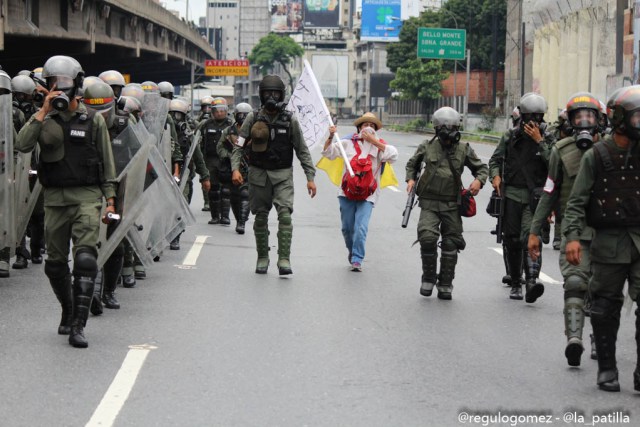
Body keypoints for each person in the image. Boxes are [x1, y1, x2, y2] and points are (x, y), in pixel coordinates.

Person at [15, 55, 117, 348]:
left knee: (85, 259)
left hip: (87, 197)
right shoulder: (44, 118)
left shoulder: (93, 120)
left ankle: (78, 325)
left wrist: (110, 201)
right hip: (54, 199)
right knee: (55, 265)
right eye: (52, 83)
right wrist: (42, 111)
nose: (58, 87)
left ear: (78, 85)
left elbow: (107, 164)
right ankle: (68, 308)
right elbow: (22, 145)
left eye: (64, 83)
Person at [563, 85, 640, 392]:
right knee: (605, 309)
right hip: (608, 246)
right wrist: (571, 237)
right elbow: (577, 201)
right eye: (637, 117)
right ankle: (607, 369)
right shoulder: (596, 156)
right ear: (621, 118)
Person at [528, 92, 601, 367]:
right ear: (570, 121)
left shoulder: (610, 149)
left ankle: (600, 339)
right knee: (574, 282)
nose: (585, 121)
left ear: (600, 120)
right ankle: (575, 339)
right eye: (579, 116)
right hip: (574, 231)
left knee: (603, 290)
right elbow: (549, 192)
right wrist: (535, 231)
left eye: (590, 116)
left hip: (607, 233)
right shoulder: (560, 150)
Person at [231, 74, 317, 275]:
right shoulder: (253, 118)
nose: (271, 97)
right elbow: (239, 146)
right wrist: (235, 168)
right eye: (268, 93)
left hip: (283, 175)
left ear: (281, 95)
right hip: (258, 175)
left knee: (285, 216)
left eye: (275, 93)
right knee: (260, 217)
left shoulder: (290, 120)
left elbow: (302, 150)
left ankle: (284, 259)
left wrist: (310, 178)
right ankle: (262, 257)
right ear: (261, 95)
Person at [405, 107, 488, 299]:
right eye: (445, 127)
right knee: (427, 237)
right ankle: (428, 277)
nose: (449, 131)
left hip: (452, 204)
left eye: (453, 127)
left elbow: (481, 168)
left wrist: (479, 181)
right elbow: (412, 164)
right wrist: (410, 179)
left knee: (451, 243)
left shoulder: (463, 148)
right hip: (430, 202)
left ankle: (445, 283)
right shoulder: (427, 146)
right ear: (437, 128)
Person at [489, 93, 553, 301]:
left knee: (530, 238)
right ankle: (516, 282)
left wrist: (540, 141)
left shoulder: (548, 137)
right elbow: (495, 160)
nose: (533, 121)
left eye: (538, 116)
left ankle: (532, 282)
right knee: (513, 239)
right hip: (512, 195)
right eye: (529, 116)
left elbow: (555, 164)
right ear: (522, 116)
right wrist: (496, 176)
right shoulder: (510, 137)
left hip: (536, 197)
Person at [321, 112, 397, 271]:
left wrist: (374, 142)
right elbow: (328, 153)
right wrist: (330, 136)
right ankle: (351, 250)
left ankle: (357, 258)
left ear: (376, 129)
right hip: (346, 193)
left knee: (361, 228)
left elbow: (393, 156)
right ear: (359, 128)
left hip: (368, 195)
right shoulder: (347, 143)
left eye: (371, 126)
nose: (368, 128)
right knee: (347, 229)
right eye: (364, 125)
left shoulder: (380, 147)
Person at [169, 97, 211, 249]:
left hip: (183, 175)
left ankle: (175, 236)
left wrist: (205, 176)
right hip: (162, 174)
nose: (175, 118)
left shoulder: (187, 133)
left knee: (181, 203)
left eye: (178, 115)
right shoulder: (161, 130)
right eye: (172, 114)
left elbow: (197, 155)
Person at [197, 97, 233, 225]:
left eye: (222, 110)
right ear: (212, 112)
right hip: (210, 161)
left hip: (225, 161)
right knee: (213, 189)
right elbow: (196, 142)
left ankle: (225, 217)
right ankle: (214, 217)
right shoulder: (205, 125)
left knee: (225, 190)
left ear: (226, 111)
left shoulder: (231, 124)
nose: (219, 113)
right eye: (217, 110)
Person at [218, 102, 252, 234]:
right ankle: (238, 218)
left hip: (248, 167)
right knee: (233, 196)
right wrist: (229, 155)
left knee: (245, 194)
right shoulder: (228, 131)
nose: (243, 118)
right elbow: (219, 147)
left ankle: (242, 223)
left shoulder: (254, 130)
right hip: (231, 168)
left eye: (246, 115)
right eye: (240, 115)